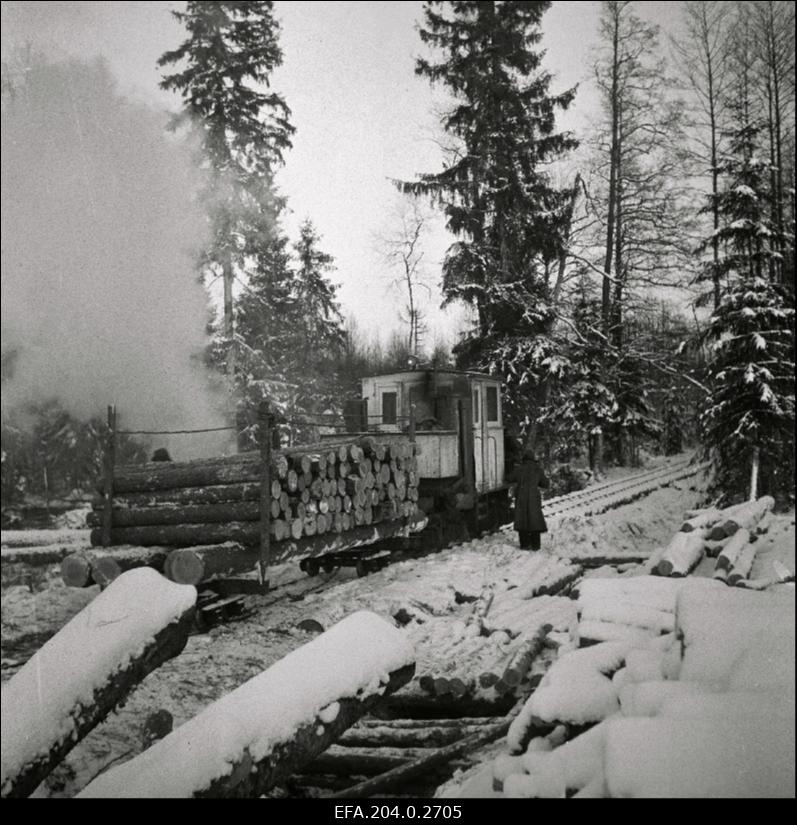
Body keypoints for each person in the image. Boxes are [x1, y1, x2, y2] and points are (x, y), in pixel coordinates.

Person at [511, 448, 549, 551]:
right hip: (534, 498)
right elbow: (545, 484)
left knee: (522, 520)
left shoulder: (519, 469)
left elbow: (509, 478)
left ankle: (524, 544)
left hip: (521, 497)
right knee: (534, 520)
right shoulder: (538, 469)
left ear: (524, 459)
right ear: (533, 459)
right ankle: (536, 545)